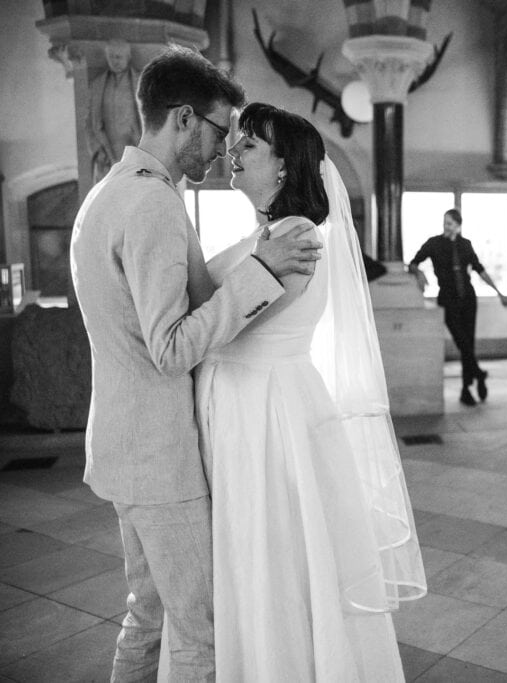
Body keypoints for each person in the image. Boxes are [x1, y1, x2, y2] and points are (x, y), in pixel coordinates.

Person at [70, 47, 321, 681]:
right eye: (217, 130)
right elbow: (171, 346)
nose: (221, 149)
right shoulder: (153, 203)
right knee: (198, 633)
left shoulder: (108, 192)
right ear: (184, 118)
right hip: (159, 460)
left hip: (121, 446)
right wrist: (258, 275)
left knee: (145, 616)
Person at [195, 103, 425, 680]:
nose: (233, 152)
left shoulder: (296, 237)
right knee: (257, 551)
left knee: (273, 555)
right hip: (247, 404)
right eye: (237, 142)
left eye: (249, 145)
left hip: (268, 411)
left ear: (283, 167)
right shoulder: (265, 234)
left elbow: (228, 322)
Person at [408, 209, 507, 406]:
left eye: (450, 224)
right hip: (447, 298)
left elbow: (479, 269)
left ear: (458, 226)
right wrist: (420, 274)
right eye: (444, 222)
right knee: (462, 341)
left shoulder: (466, 245)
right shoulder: (434, 243)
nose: (446, 227)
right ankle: (478, 374)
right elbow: (413, 263)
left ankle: (467, 389)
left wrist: (499, 293)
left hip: (467, 298)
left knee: (468, 344)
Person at [86, 38, 142, 185]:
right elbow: (90, 123)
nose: (115, 61)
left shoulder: (141, 82)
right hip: (106, 149)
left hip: (134, 145)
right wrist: (99, 150)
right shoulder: (97, 85)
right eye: (111, 57)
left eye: (119, 57)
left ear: (128, 57)